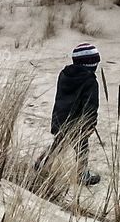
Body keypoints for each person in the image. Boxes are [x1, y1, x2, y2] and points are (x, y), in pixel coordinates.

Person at [36, 42, 101, 186]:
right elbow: (90, 105)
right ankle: (83, 174)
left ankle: (42, 163)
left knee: (59, 142)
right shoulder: (90, 81)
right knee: (82, 148)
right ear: (91, 64)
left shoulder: (65, 75)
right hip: (78, 122)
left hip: (60, 117)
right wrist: (90, 124)